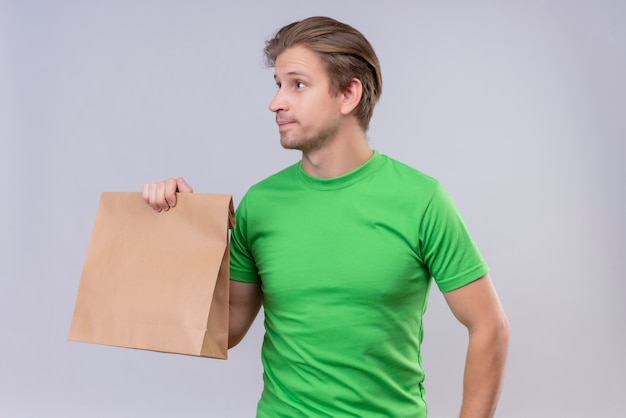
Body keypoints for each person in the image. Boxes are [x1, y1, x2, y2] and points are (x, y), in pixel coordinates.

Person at [143, 16, 510, 418]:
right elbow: (225, 331)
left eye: (297, 85)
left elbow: (489, 326)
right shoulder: (260, 204)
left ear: (348, 94)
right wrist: (178, 228)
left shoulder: (422, 200)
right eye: (278, 85)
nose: (276, 102)